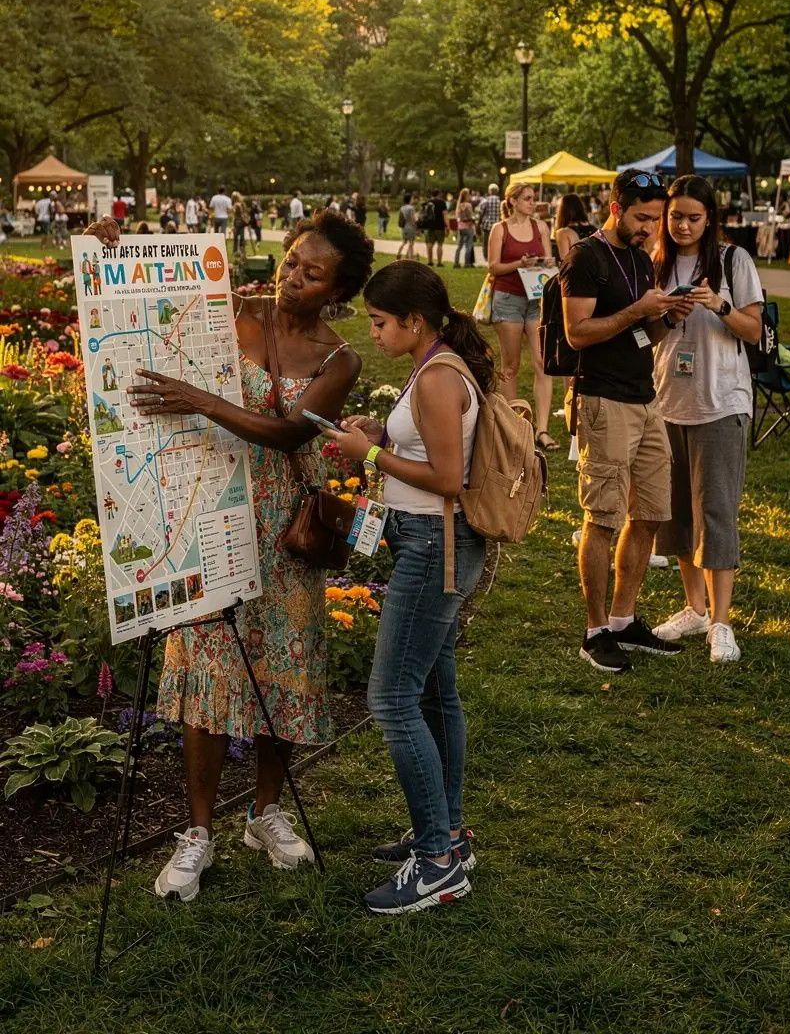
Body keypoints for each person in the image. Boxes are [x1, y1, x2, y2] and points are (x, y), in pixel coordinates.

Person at [86, 209, 374, 901]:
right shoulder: (227, 308)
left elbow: (284, 433)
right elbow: (141, 306)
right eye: (290, 261)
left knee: (286, 668)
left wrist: (200, 399)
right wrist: (111, 253)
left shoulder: (340, 357)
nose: (291, 278)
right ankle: (196, 833)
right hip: (208, 506)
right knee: (206, 670)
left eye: (312, 273)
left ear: (338, 292)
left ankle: (265, 812)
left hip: (284, 524)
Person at [332, 262, 492, 914]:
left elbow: (449, 477)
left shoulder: (438, 376)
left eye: (378, 322)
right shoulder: (435, 365)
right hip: (430, 541)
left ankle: (437, 864)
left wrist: (367, 455)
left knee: (392, 698)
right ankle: (448, 833)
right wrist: (377, 436)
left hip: (434, 545)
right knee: (432, 691)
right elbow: (428, 451)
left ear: (413, 321)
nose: (372, 333)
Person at [560, 169, 696, 673]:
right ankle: (595, 632)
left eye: (655, 220)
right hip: (603, 400)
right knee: (603, 517)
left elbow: (647, 333)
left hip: (646, 399)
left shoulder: (641, 259)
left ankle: (623, 620)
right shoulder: (586, 257)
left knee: (652, 513)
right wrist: (639, 308)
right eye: (642, 218)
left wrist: (668, 317)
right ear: (615, 208)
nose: (649, 229)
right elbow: (578, 333)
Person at [649, 176, 763, 663]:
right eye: (675, 217)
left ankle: (721, 622)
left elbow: (755, 330)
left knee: (715, 513)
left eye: (693, 217)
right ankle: (694, 609)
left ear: (710, 218)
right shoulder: (656, 261)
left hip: (722, 401)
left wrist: (718, 304)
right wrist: (669, 316)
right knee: (675, 516)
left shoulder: (734, 261)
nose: (683, 225)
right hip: (667, 400)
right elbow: (647, 332)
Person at [487, 181, 558, 454]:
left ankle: (542, 429)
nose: (533, 202)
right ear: (513, 201)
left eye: (533, 198)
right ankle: (514, 425)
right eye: (527, 198)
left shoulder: (541, 228)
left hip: (536, 300)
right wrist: (520, 264)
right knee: (511, 365)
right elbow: (493, 266)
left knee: (542, 362)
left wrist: (544, 265)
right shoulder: (500, 229)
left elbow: (549, 262)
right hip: (508, 300)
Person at [554, 193, 596, 264]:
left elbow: (565, 263)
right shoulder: (595, 230)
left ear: (562, 211)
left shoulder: (563, 233)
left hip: (578, 273)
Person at [422, 189, 449, 267]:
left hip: (429, 226)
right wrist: (448, 226)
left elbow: (422, 215)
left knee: (430, 244)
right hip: (439, 226)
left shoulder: (427, 203)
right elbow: (445, 215)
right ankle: (439, 262)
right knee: (440, 244)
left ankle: (430, 261)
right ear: (439, 194)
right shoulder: (442, 203)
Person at [453, 188, 476, 268]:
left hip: (460, 227)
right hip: (468, 226)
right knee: (468, 246)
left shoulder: (459, 205)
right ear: (466, 195)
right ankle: (467, 263)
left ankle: (456, 262)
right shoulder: (468, 205)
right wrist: (473, 220)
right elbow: (470, 216)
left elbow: (458, 217)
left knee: (459, 246)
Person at [477, 183, 501, 262]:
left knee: (486, 242)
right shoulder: (500, 201)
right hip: (498, 225)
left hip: (487, 225)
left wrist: (478, 224)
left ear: (490, 191)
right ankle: (495, 257)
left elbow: (481, 213)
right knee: (496, 242)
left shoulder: (485, 201)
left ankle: (486, 257)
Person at [396, 192, 418, 260]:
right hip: (410, 228)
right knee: (411, 244)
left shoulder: (402, 207)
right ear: (410, 199)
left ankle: (398, 254)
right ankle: (411, 259)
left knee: (404, 242)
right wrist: (416, 226)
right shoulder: (411, 208)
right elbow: (412, 220)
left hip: (404, 228)